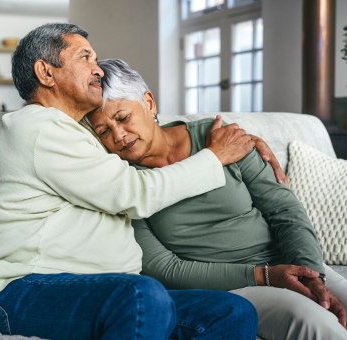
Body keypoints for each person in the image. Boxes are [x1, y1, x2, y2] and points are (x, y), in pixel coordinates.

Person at [0, 23, 268, 340]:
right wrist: (217, 155)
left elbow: (143, 130)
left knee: (232, 312)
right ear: (46, 73)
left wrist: (239, 141)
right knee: (141, 294)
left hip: (106, 293)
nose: (97, 69)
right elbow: (134, 193)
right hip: (31, 290)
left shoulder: (78, 133)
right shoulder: (39, 128)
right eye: (85, 57)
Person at [85, 58, 347, 340]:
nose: (119, 135)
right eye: (103, 132)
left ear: (149, 103)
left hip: (291, 262)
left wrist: (311, 275)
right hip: (234, 287)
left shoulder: (221, 138)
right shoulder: (124, 183)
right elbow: (165, 268)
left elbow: (285, 210)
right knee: (322, 327)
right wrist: (267, 276)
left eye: (123, 118)